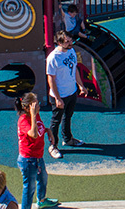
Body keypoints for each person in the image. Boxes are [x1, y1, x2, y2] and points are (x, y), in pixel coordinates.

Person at [45, 31, 87, 159]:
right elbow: (50, 79)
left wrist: (81, 86)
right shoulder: (53, 57)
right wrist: (57, 98)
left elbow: (74, 70)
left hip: (71, 92)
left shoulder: (71, 51)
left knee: (68, 116)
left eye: (70, 40)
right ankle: (53, 145)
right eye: (67, 42)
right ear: (59, 43)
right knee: (56, 120)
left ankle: (68, 138)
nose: (70, 43)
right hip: (60, 95)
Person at [14, 93, 58, 209]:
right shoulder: (24, 120)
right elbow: (33, 134)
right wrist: (33, 116)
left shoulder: (36, 115)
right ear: (27, 108)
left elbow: (39, 128)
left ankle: (41, 200)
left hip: (38, 157)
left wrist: (48, 131)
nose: (38, 106)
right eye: (35, 104)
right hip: (28, 160)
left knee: (43, 178)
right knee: (29, 188)